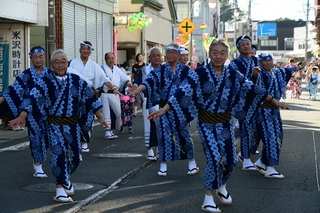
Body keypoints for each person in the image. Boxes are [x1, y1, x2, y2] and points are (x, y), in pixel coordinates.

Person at [148, 40, 288, 213]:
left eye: (222, 52)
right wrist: (165, 108)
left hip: (225, 123)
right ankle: (208, 198)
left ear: (227, 55)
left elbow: (250, 87)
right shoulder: (199, 73)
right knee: (215, 159)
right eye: (215, 52)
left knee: (230, 160)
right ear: (210, 53)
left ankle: (222, 186)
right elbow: (182, 91)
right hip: (206, 124)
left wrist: (274, 101)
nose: (219, 56)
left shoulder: (232, 73)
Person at [8, 49, 109, 202]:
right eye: (57, 62)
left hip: (72, 127)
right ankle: (59, 188)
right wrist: (22, 116)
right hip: (53, 125)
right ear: (52, 64)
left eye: (63, 61)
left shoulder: (76, 80)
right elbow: (33, 97)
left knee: (76, 158)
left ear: (67, 63)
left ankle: (65, 177)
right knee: (58, 154)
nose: (60, 65)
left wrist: (100, 117)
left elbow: (90, 97)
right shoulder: (45, 81)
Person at [128, 43, 199, 176]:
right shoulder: (160, 70)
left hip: (181, 110)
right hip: (164, 110)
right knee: (164, 136)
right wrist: (138, 89)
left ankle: (192, 163)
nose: (170, 55)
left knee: (185, 136)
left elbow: (194, 85)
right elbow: (148, 81)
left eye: (173, 52)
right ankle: (163, 165)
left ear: (178, 55)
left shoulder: (186, 70)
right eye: (168, 52)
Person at [0, 46, 53, 178]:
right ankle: (38, 166)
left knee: (46, 138)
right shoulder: (26, 74)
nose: (38, 59)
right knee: (35, 138)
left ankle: (38, 160)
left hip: (49, 112)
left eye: (41, 56)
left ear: (45, 58)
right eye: (35, 57)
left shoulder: (51, 74)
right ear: (31, 58)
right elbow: (13, 89)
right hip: (32, 112)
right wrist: (1, 99)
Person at [253, 52, 306, 178]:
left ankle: (261, 162)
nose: (268, 62)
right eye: (264, 61)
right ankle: (270, 168)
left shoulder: (276, 72)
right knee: (270, 138)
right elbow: (253, 82)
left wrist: (300, 66)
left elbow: (288, 70)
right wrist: (254, 74)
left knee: (279, 136)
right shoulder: (259, 73)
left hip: (275, 111)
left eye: (270, 60)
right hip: (264, 111)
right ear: (259, 63)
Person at [69, 41, 120, 152]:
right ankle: (74, 142)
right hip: (74, 95)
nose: (85, 51)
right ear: (79, 50)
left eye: (88, 49)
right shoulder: (72, 63)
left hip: (88, 95)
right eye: (83, 49)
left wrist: (114, 89)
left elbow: (104, 78)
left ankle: (85, 143)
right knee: (74, 119)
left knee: (87, 119)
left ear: (90, 52)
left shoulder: (94, 65)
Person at [229, 35, 261, 169]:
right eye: (243, 44)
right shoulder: (234, 64)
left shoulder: (256, 60)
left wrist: (257, 76)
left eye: (248, 44)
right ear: (238, 48)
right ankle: (246, 158)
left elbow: (262, 78)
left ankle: (244, 153)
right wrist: (253, 76)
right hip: (242, 101)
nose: (247, 46)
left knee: (256, 128)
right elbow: (237, 82)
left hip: (256, 99)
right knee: (246, 128)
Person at [129, 47, 162, 160]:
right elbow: (137, 81)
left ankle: (160, 149)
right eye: (154, 55)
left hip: (162, 102)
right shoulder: (144, 70)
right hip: (148, 100)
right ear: (149, 57)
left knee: (161, 125)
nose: (157, 57)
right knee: (148, 125)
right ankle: (149, 149)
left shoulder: (165, 70)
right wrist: (135, 88)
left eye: (159, 55)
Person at [101, 52, 132, 138]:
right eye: (109, 58)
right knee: (107, 112)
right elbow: (103, 79)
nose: (111, 60)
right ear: (105, 59)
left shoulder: (117, 69)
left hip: (115, 94)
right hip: (105, 93)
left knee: (117, 112)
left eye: (112, 58)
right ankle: (107, 131)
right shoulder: (102, 68)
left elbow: (123, 77)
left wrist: (128, 82)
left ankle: (112, 129)